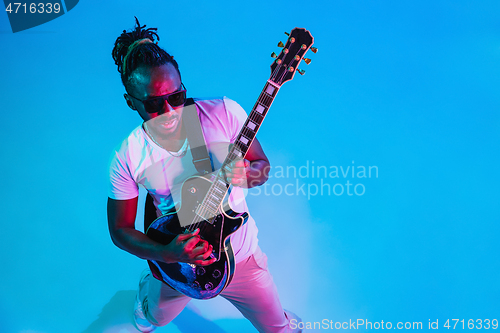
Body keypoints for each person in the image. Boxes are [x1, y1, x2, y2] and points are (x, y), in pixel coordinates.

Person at [107, 18, 300, 332]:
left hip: (241, 255)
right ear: (131, 102)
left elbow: (261, 166)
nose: (170, 111)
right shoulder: (128, 155)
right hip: (176, 259)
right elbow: (120, 230)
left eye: (177, 96)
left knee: (279, 328)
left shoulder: (224, 113)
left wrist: (248, 175)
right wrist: (165, 253)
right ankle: (147, 294)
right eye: (155, 104)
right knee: (153, 318)